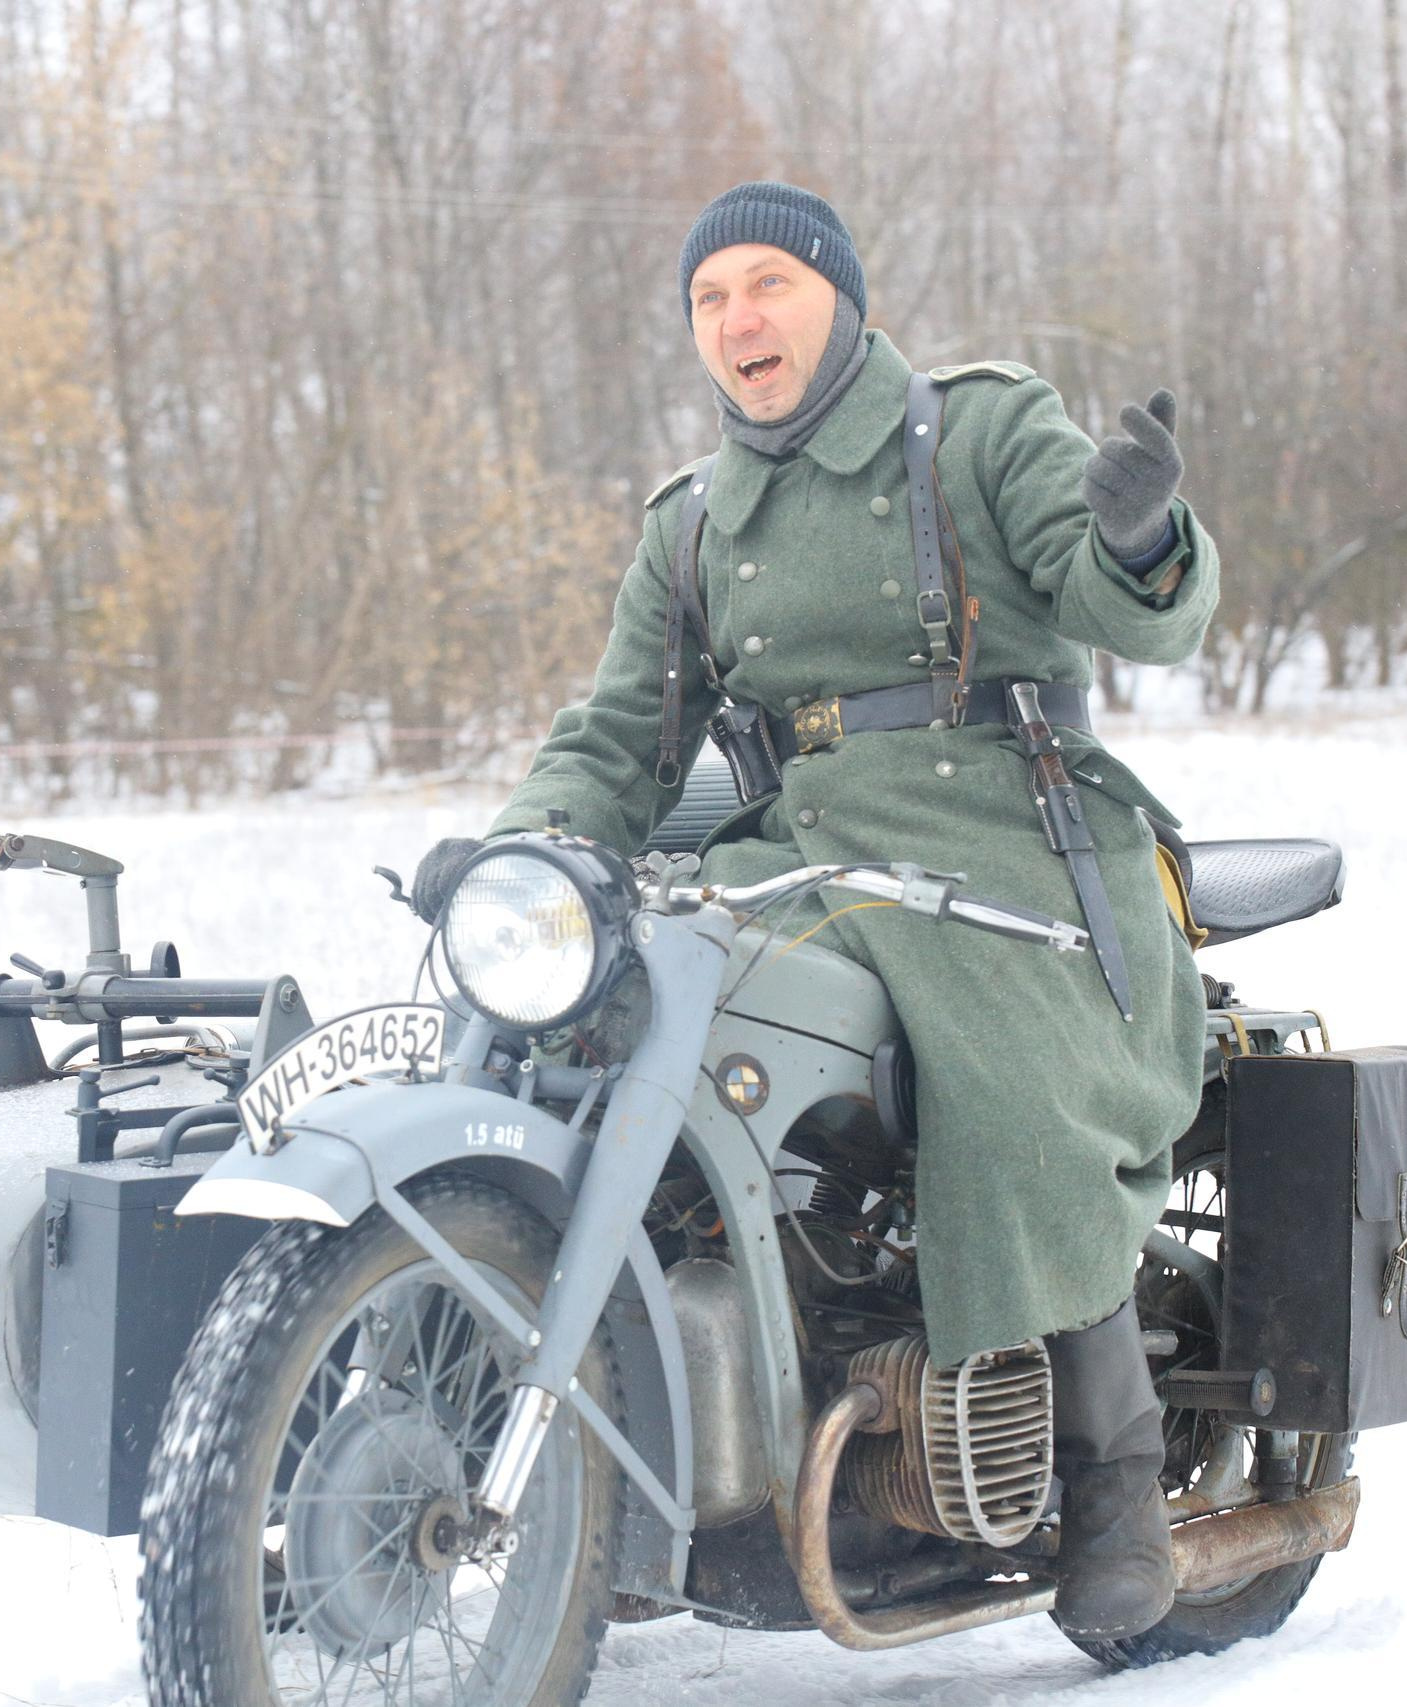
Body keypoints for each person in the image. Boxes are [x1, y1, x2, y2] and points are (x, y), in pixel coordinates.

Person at [410, 182, 1218, 1641]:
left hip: (1014, 846)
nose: (739, 321)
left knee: (1010, 1097)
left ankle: (1118, 1484)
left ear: (840, 294)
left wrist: (1145, 535)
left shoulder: (973, 429)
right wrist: (521, 855)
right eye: (709, 300)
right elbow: (617, 744)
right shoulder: (696, 522)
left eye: (766, 283)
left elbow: (1130, 607)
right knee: (598, 1023)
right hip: (796, 853)